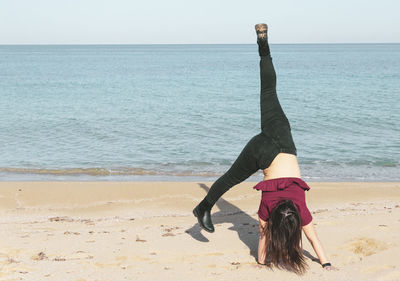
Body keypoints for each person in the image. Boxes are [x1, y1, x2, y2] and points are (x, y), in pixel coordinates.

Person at [193, 23, 337, 273]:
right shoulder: (269, 212)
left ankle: (264, 46)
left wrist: (326, 261)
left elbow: (313, 239)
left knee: (269, 90)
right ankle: (203, 207)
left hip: (282, 137)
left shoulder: (300, 209)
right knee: (230, 178)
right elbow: (266, 242)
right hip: (263, 151)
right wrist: (324, 265)